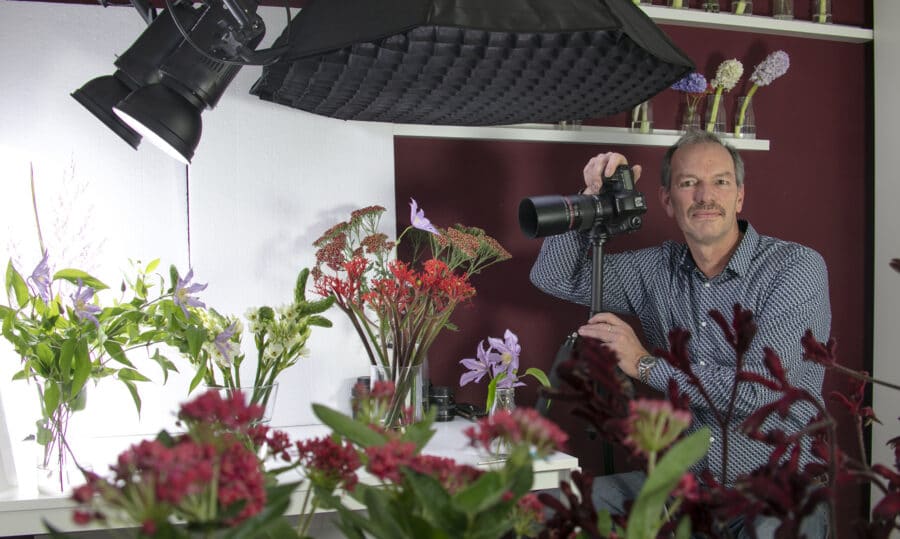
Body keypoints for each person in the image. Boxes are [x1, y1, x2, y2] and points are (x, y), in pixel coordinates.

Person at [529, 130, 831, 537]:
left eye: (720, 181)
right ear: (667, 201)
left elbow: (761, 392)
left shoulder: (794, 269)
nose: (706, 196)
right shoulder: (657, 270)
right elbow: (553, 275)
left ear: (739, 196)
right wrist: (590, 196)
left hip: (778, 493)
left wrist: (644, 365)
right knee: (545, 509)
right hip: (684, 489)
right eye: (689, 183)